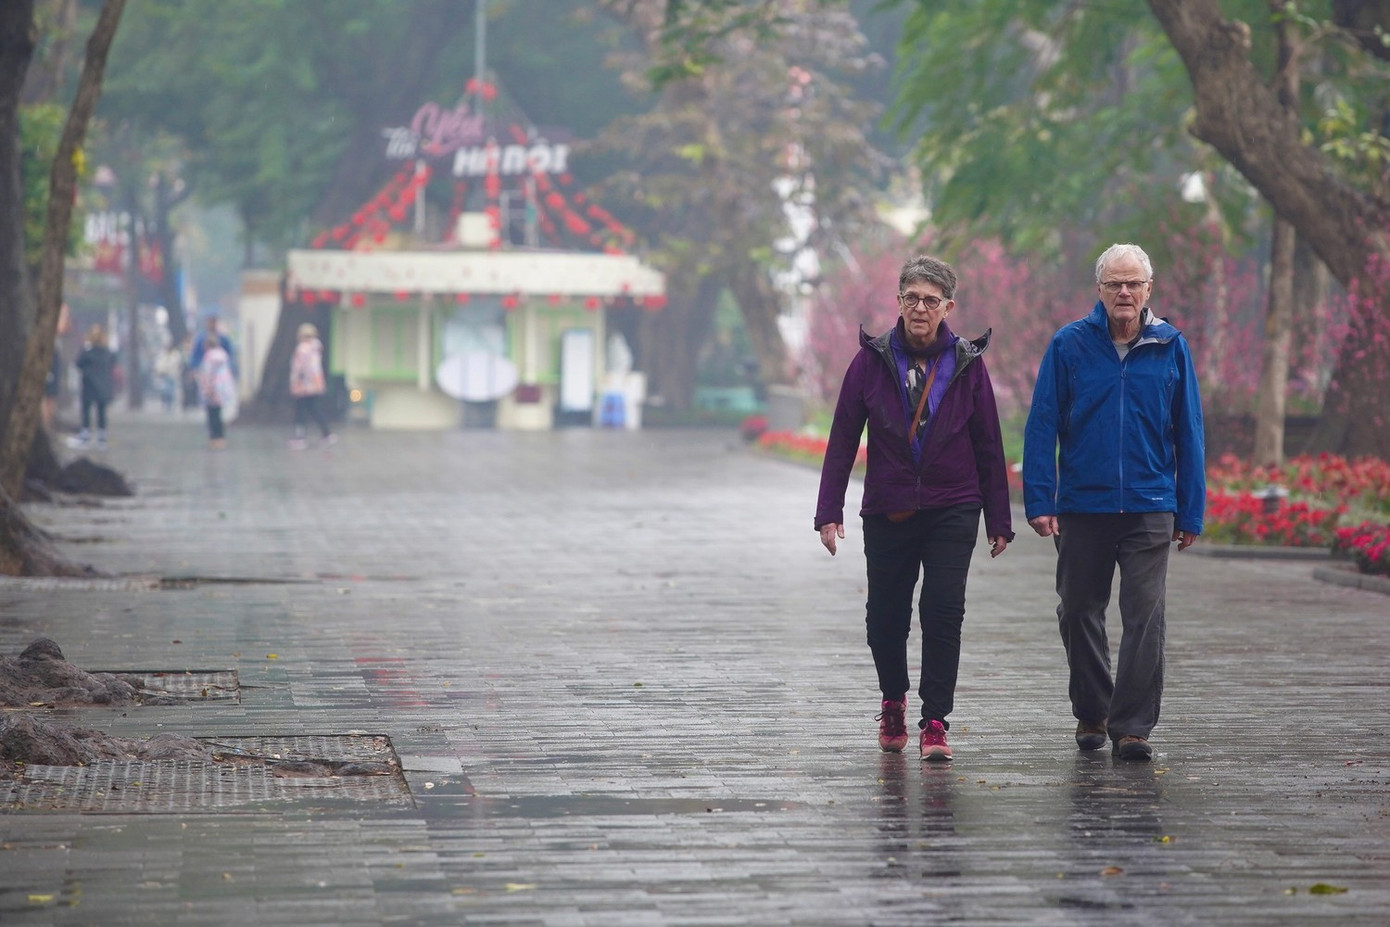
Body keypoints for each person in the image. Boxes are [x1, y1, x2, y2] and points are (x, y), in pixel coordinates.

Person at [815, 254, 1014, 762]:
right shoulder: (870, 361)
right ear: (898, 302)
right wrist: (829, 510)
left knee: (943, 612)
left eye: (930, 300)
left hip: (954, 505)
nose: (920, 308)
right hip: (889, 507)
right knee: (885, 616)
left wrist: (999, 518)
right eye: (912, 298)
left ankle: (936, 720)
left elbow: (988, 443)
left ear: (948, 307)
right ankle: (893, 700)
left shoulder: (967, 363)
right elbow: (843, 437)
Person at [1022, 242, 1205, 762]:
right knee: (1078, 609)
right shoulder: (1069, 345)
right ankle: (1092, 711)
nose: (1124, 292)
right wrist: (1040, 499)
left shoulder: (1171, 346)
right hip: (1083, 505)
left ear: (1149, 289)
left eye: (1133, 283)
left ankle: (1133, 727)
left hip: (1150, 503)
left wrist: (1190, 510)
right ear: (1099, 290)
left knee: (1145, 614)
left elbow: (1189, 431)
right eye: (1114, 284)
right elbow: (1042, 425)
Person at [288, 322, 336, 449]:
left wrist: (295, 382)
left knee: (300, 411)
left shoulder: (302, 349)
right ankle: (327, 433)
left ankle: (300, 438)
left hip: (303, 385)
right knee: (314, 409)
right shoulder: (316, 348)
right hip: (316, 384)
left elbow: (299, 368)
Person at [69, 324, 115, 451]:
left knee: (86, 411)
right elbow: (112, 364)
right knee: (101, 412)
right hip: (103, 386)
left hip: (89, 385)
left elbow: (77, 363)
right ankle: (102, 438)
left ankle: (85, 436)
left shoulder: (87, 352)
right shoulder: (107, 352)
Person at [198, 333, 236, 450]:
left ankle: (214, 438)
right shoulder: (223, 356)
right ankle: (221, 438)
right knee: (218, 414)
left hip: (212, 389)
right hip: (222, 388)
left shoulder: (209, 357)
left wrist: (208, 388)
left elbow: (208, 373)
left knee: (212, 415)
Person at [153, 338, 183, 413]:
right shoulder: (162, 354)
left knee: (171, 391)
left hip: (172, 375)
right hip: (164, 375)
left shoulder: (175, 354)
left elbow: (177, 364)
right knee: (165, 391)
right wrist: (159, 371)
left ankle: (170, 405)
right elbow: (159, 364)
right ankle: (165, 404)